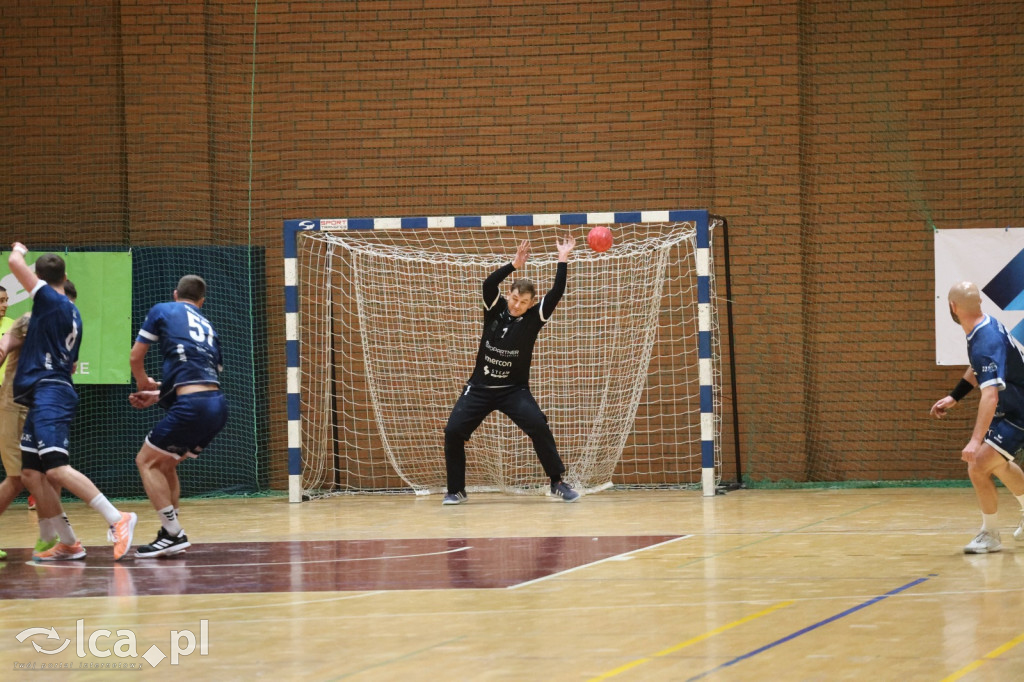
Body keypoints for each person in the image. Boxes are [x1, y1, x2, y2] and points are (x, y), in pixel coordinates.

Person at [7, 244, 136, 561]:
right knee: (31, 474)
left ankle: (118, 518)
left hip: (51, 392)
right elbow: (73, 364)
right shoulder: (70, 314)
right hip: (41, 393)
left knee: (57, 469)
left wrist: (18, 249)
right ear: (65, 277)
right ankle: (68, 542)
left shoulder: (50, 300)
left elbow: (14, 263)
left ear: (41, 280)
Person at [442, 237, 580, 505]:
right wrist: (514, 265)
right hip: (479, 388)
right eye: (515, 299)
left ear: (531, 304)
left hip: (513, 391)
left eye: (523, 302)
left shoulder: (534, 318)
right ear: (509, 295)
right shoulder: (494, 309)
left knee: (538, 425)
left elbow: (556, 292)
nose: (517, 305)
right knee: (453, 431)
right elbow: (488, 284)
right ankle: (456, 490)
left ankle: (557, 483)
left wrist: (562, 259)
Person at [129, 274, 228, 557]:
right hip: (217, 405)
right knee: (166, 463)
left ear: (175, 294)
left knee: (146, 462)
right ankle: (169, 532)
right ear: (202, 302)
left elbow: (135, 357)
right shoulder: (207, 326)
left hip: (192, 406)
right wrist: (158, 394)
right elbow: (199, 377)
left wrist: (143, 382)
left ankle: (173, 533)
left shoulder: (163, 310)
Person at [930, 281, 1024, 554]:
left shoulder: (985, 340)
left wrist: (974, 440)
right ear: (979, 303)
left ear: (952, 306)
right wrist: (954, 396)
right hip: (1011, 407)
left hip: (1018, 411)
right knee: (998, 464)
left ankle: (990, 535)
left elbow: (990, 396)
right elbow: (978, 366)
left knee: (978, 465)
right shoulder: (985, 325)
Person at [0, 282, 78, 560]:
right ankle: (59, 536)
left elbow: (71, 366)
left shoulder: (67, 325)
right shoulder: (27, 321)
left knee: (51, 471)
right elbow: (3, 347)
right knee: (17, 478)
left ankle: (49, 538)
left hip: (41, 406)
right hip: (13, 405)